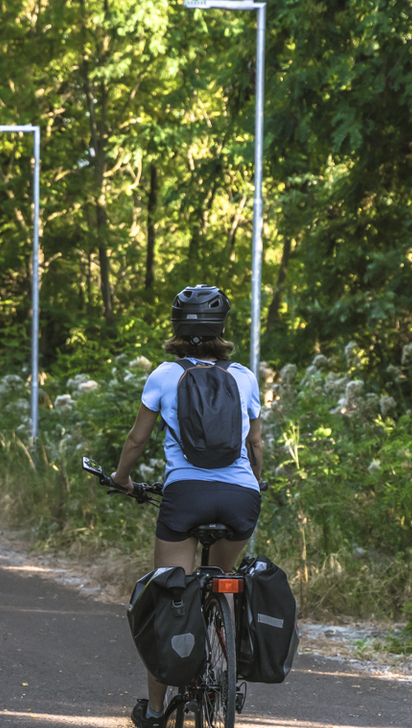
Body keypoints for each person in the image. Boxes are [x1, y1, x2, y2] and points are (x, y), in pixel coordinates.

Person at [109, 284, 265, 728]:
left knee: (170, 596)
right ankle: (228, 664)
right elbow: (254, 442)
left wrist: (123, 479)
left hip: (185, 497)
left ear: (177, 328)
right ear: (222, 330)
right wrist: (254, 483)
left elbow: (138, 439)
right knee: (225, 579)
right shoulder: (244, 376)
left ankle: (156, 711)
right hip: (240, 499)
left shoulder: (164, 374)